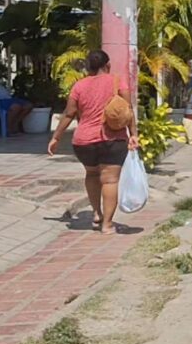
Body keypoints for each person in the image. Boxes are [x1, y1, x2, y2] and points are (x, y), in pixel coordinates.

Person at [47, 50, 137, 235]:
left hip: (84, 141)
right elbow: (128, 110)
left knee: (92, 175)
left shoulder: (79, 86)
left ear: (88, 67)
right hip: (112, 139)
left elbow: (69, 114)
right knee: (110, 180)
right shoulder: (117, 81)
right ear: (108, 65)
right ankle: (107, 225)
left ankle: (96, 213)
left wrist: (56, 137)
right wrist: (133, 134)